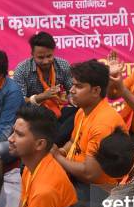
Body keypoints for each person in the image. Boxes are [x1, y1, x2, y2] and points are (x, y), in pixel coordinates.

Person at [53, 60, 127, 198]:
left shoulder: (103, 123)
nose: (72, 90)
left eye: (78, 86)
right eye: (73, 85)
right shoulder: (83, 111)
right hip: (77, 176)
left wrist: (57, 157)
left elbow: (90, 173)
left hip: (98, 190)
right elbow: (73, 141)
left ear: (96, 91)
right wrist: (62, 151)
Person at [13, 31, 75, 145]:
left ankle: (55, 142)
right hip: (35, 115)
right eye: (40, 57)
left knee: (78, 112)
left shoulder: (63, 65)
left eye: (49, 56)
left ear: (53, 52)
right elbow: (18, 101)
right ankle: (56, 143)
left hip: (59, 110)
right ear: (32, 53)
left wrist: (71, 99)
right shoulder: (22, 70)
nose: (46, 61)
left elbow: (72, 90)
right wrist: (42, 97)